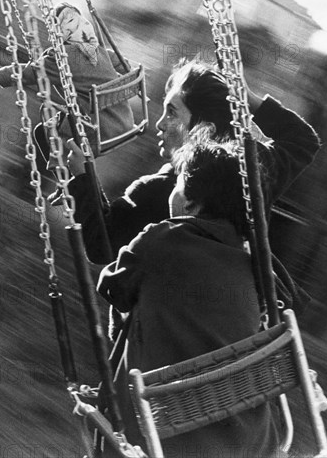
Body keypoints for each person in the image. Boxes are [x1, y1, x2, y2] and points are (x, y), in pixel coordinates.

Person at [97, 140, 284, 456]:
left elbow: (112, 287)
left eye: (178, 183)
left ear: (193, 204)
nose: (172, 192)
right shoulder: (258, 269)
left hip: (159, 439)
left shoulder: (160, 239)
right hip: (250, 443)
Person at [67, 58, 321, 265]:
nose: (159, 123)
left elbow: (101, 244)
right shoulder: (250, 173)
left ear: (203, 126)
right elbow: (303, 139)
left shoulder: (160, 193)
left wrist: (82, 179)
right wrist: (247, 98)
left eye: (172, 112)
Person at [0, 2, 134, 156]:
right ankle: (73, 173)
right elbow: (123, 65)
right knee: (62, 126)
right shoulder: (97, 49)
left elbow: (26, 73)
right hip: (125, 123)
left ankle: (66, 176)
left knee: (43, 132)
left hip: (100, 132)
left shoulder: (60, 59)